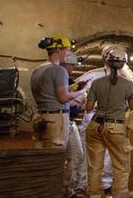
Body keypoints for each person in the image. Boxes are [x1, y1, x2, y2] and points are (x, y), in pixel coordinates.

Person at [30, 34, 86, 198]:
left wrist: (74, 88)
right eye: (67, 50)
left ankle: (59, 191)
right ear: (59, 50)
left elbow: (51, 93)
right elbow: (62, 98)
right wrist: (82, 91)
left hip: (41, 117)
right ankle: (57, 192)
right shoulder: (59, 70)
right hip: (57, 119)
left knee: (45, 157)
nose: (68, 53)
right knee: (59, 160)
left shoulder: (37, 70)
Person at [85, 47, 133, 198]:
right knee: (121, 165)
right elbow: (132, 107)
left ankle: (94, 195)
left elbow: (88, 108)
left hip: (95, 126)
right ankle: (119, 194)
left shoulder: (96, 83)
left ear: (106, 61)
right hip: (116, 127)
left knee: (94, 166)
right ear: (124, 64)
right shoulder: (128, 84)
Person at [76, 46, 117, 194]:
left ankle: (105, 183)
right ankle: (83, 183)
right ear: (105, 58)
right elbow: (76, 92)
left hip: (111, 118)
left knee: (108, 154)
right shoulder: (92, 75)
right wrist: (81, 103)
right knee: (88, 151)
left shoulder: (123, 77)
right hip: (93, 117)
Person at [62, 50, 87, 198]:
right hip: (64, 121)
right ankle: (65, 190)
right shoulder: (60, 80)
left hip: (69, 122)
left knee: (76, 155)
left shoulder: (68, 81)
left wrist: (82, 102)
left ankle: (68, 189)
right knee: (72, 156)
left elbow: (79, 105)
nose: (73, 68)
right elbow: (65, 100)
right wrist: (78, 97)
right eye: (72, 65)